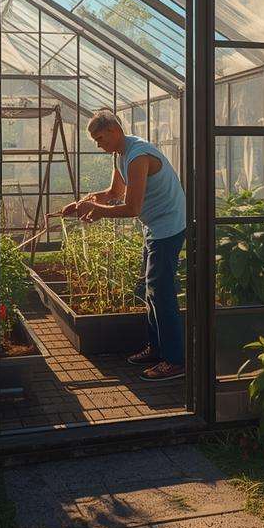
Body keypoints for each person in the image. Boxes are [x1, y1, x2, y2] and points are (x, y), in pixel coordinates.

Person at [61, 111, 187, 381]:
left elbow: (132, 208)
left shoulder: (138, 155)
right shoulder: (120, 155)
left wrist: (98, 210)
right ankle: (157, 348)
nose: (98, 144)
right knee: (151, 290)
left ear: (114, 130)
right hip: (154, 226)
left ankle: (175, 361)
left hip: (168, 226)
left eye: (99, 137)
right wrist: (82, 203)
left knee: (161, 291)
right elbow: (114, 194)